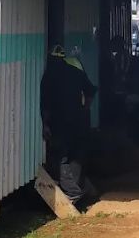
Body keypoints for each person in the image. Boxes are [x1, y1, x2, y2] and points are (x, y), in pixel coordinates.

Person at [40, 45, 97, 207]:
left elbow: (45, 105)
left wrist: (45, 125)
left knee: (61, 158)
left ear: (51, 59)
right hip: (79, 121)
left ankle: (73, 193)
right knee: (76, 157)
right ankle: (78, 190)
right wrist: (85, 109)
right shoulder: (75, 71)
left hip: (60, 124)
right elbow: (91, 91)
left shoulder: (48, 76)